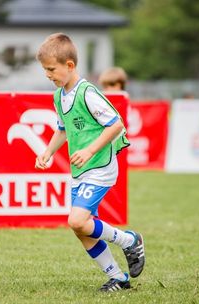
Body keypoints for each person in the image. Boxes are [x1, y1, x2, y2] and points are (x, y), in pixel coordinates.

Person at [35, 33, 145, 292]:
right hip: (81, 170)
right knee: (82, 229)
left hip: (100, 166)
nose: (48, 75)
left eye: (51, 69)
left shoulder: (87, 92)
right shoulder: (58, 96)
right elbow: (62, 130)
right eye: (45, 70)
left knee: (76, 220)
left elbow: (116, 125)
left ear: (69, 65)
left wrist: (89, 149)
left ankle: (130, 240)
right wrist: (47, 152)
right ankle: (118, 277)